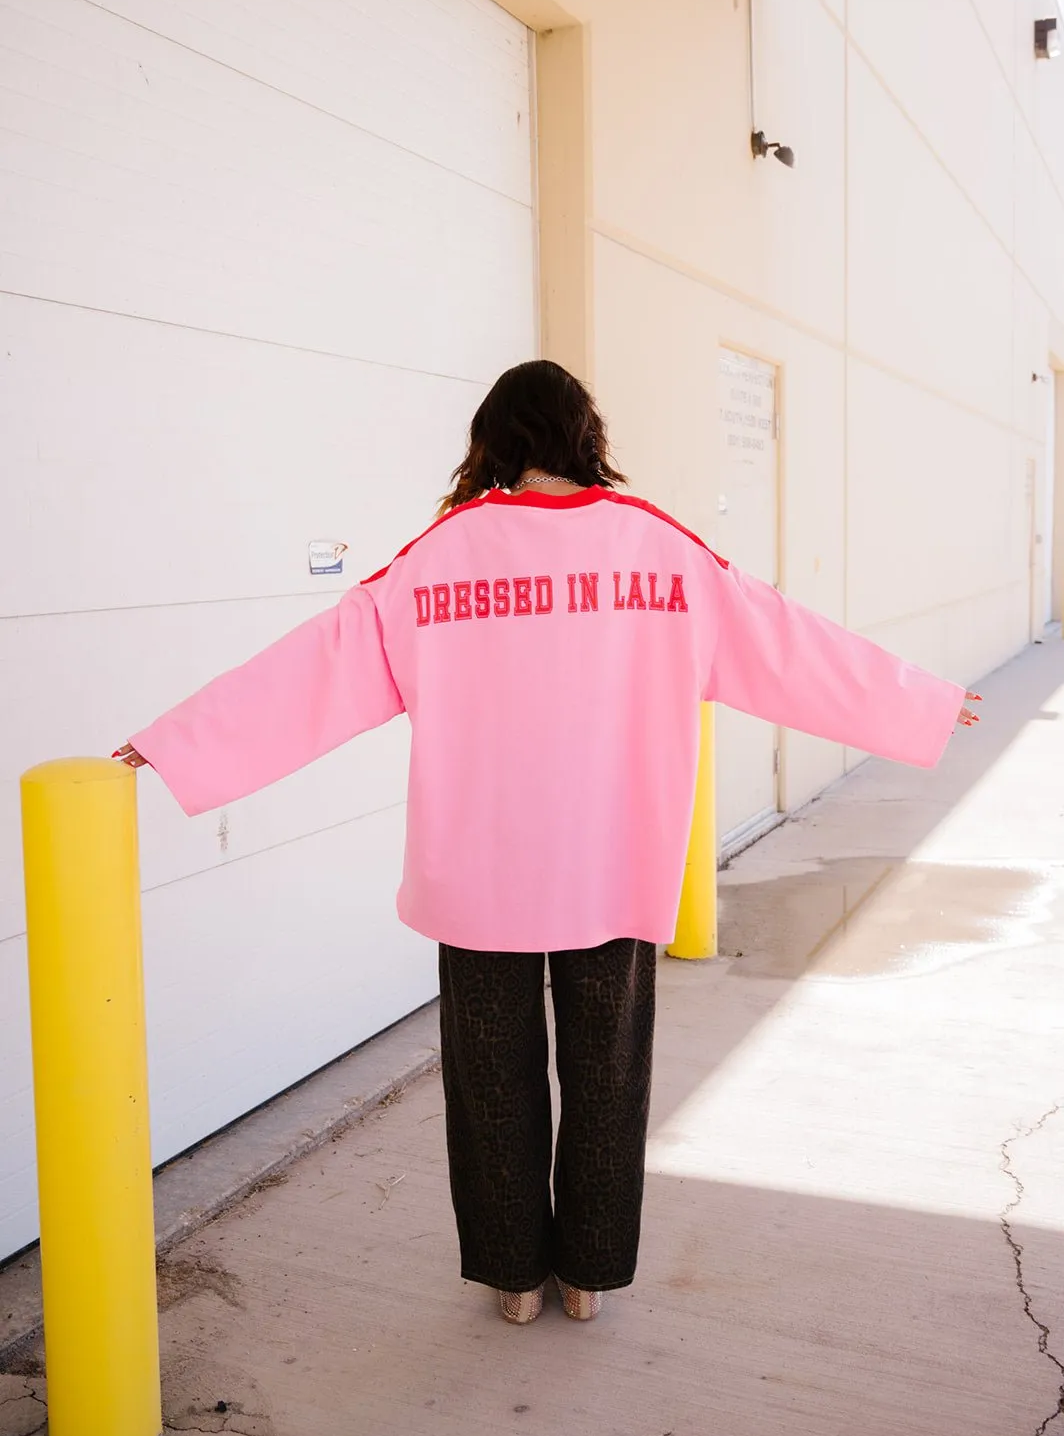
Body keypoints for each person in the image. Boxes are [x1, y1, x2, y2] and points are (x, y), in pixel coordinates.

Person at [115, 359, 980, 1326]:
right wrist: (927, 705)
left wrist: (172, 743)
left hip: (478, 876)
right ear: (584, 434)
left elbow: (318, 666)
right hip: (613, 867)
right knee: (608, 1074)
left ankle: (513, 1277)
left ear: (496, 438)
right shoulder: (659, 547)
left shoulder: (440, 557)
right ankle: (587, 1279)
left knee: (491, 1075)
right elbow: (789, 643)